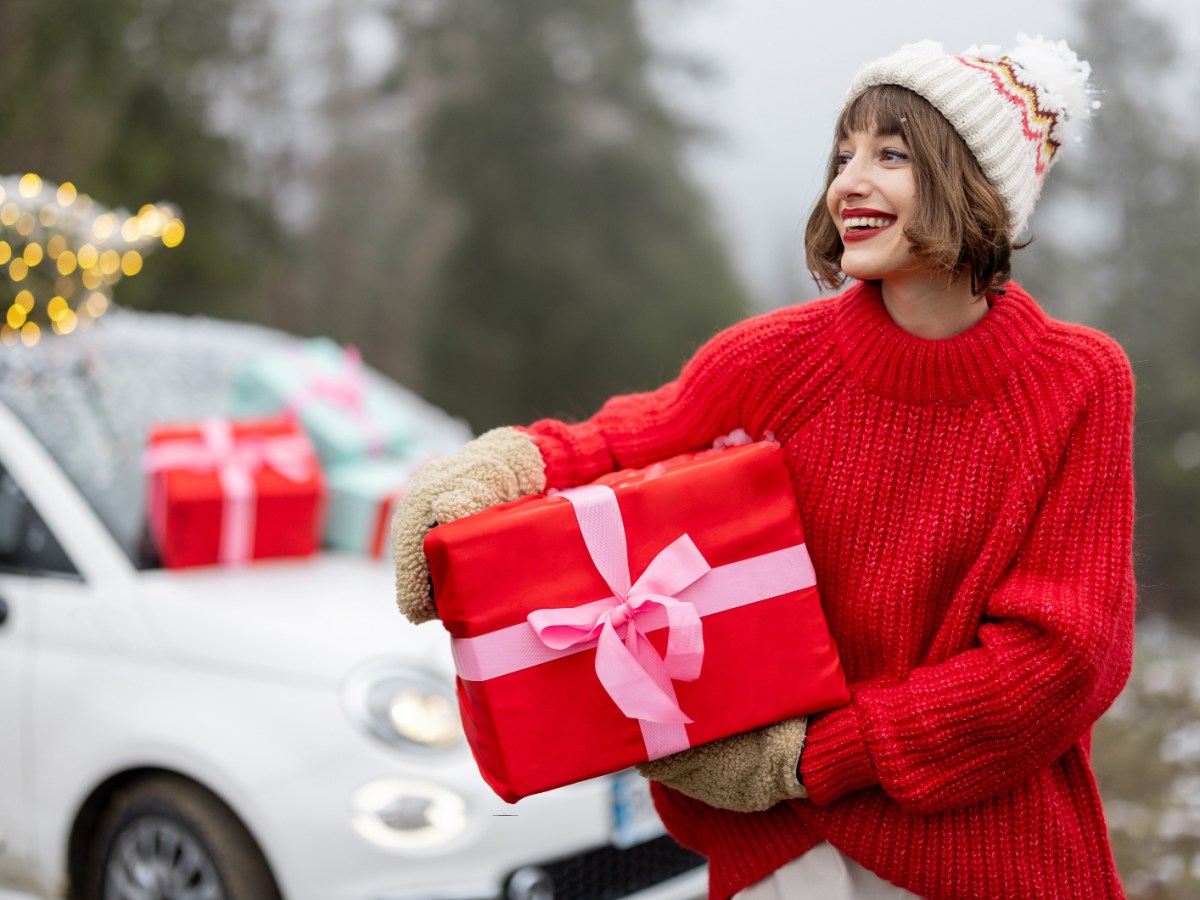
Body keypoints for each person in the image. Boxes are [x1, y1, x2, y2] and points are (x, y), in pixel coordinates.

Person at [391, 35, 1134, 900]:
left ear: (977, 185)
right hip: (790, 862)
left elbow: (1061, 660)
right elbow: (635, 436)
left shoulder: (1077, 382)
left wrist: (816, 758)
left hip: (982, 860)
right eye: (843, 154)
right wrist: (503, 469)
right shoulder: (779, 359)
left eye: (890, 154)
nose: (849, 181)